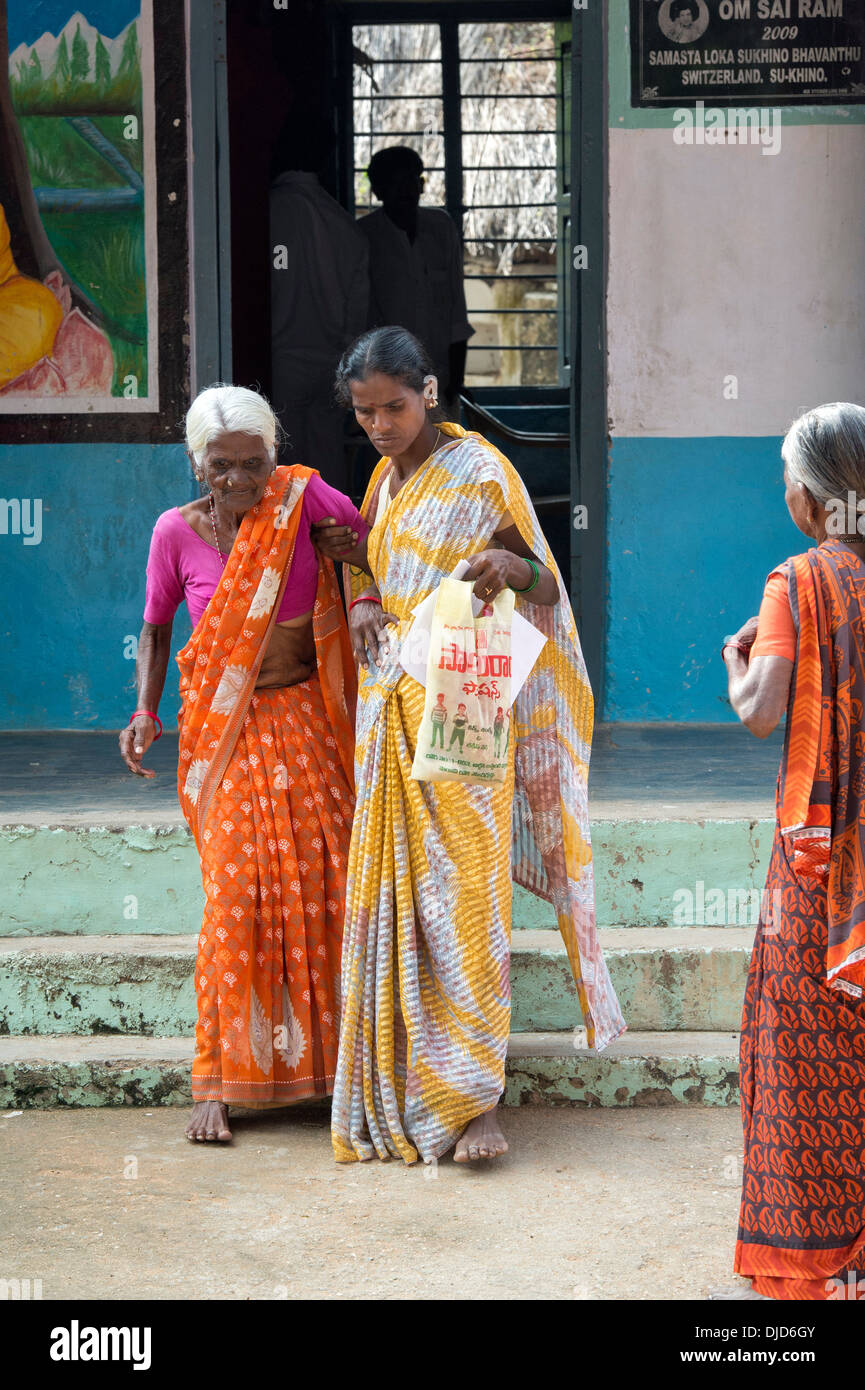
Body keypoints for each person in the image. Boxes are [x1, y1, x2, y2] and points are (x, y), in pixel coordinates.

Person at [319, 326, 625, 1167]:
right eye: (365, 412)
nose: (380, 424)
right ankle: (406, 1084)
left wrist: (505, 563)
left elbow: (548, 585)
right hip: (386, 710)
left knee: (466, 899)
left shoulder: (482, 470)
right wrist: (361, 602)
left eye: (393, 406)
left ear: (426, 391)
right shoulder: (382, 482)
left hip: (462, 702)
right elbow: (377, 582)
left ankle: (475, 1099)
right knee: (397, 901)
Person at [118, 384, 369, 1143]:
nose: (239, 481)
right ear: (198, 465)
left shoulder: (305, 499)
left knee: (329, 886)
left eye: (253, 464)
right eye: (222, 466)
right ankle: (217, 1080)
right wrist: (143, 710)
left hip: (307, 721)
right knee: (233, 902)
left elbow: (379, 557)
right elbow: (156, 629)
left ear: (274, 457)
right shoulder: (175, 532)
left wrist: (348, 556)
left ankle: (339, 1072)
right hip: (225, 734)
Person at [722, 402, 865, 1300]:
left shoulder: (797, 581)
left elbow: (760, 711)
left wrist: (733, 665)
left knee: (798, 1050)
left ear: (809, 500)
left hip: (820, 868)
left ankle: (814, 1261)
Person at [270, 117, 368, 489]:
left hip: (283, 360)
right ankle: (335, 540)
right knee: (328, 462)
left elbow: (277, 276)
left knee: (283, 466)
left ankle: (291, 544)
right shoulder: (344, 225)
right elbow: (357, 310)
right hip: (331, 361)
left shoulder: (273, 211)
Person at [358, 146, 473, 417]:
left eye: (412, 181)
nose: (407, 190)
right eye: (396, 183)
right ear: (378, 191)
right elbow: (362, 320)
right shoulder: (364, 237)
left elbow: (457, 312)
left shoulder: (441, 228)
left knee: (444, 455)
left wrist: (456, 382)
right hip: (385, 383)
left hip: (440, 380)